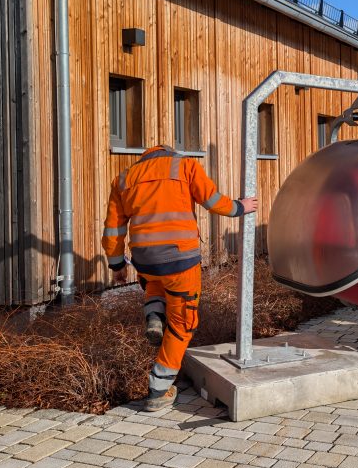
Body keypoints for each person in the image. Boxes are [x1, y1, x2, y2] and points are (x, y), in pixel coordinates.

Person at [101, 144, 257, 412]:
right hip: (180, 260)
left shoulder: (124, 178)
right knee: (182, 324)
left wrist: (117, 264)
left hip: (145, 261)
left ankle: (153, 313)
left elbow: (113, 227)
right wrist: (239, 208)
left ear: (146, 157)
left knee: (156, 284)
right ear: (169, 153)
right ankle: (159, 389)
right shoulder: (185, 166)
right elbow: (212, 201)